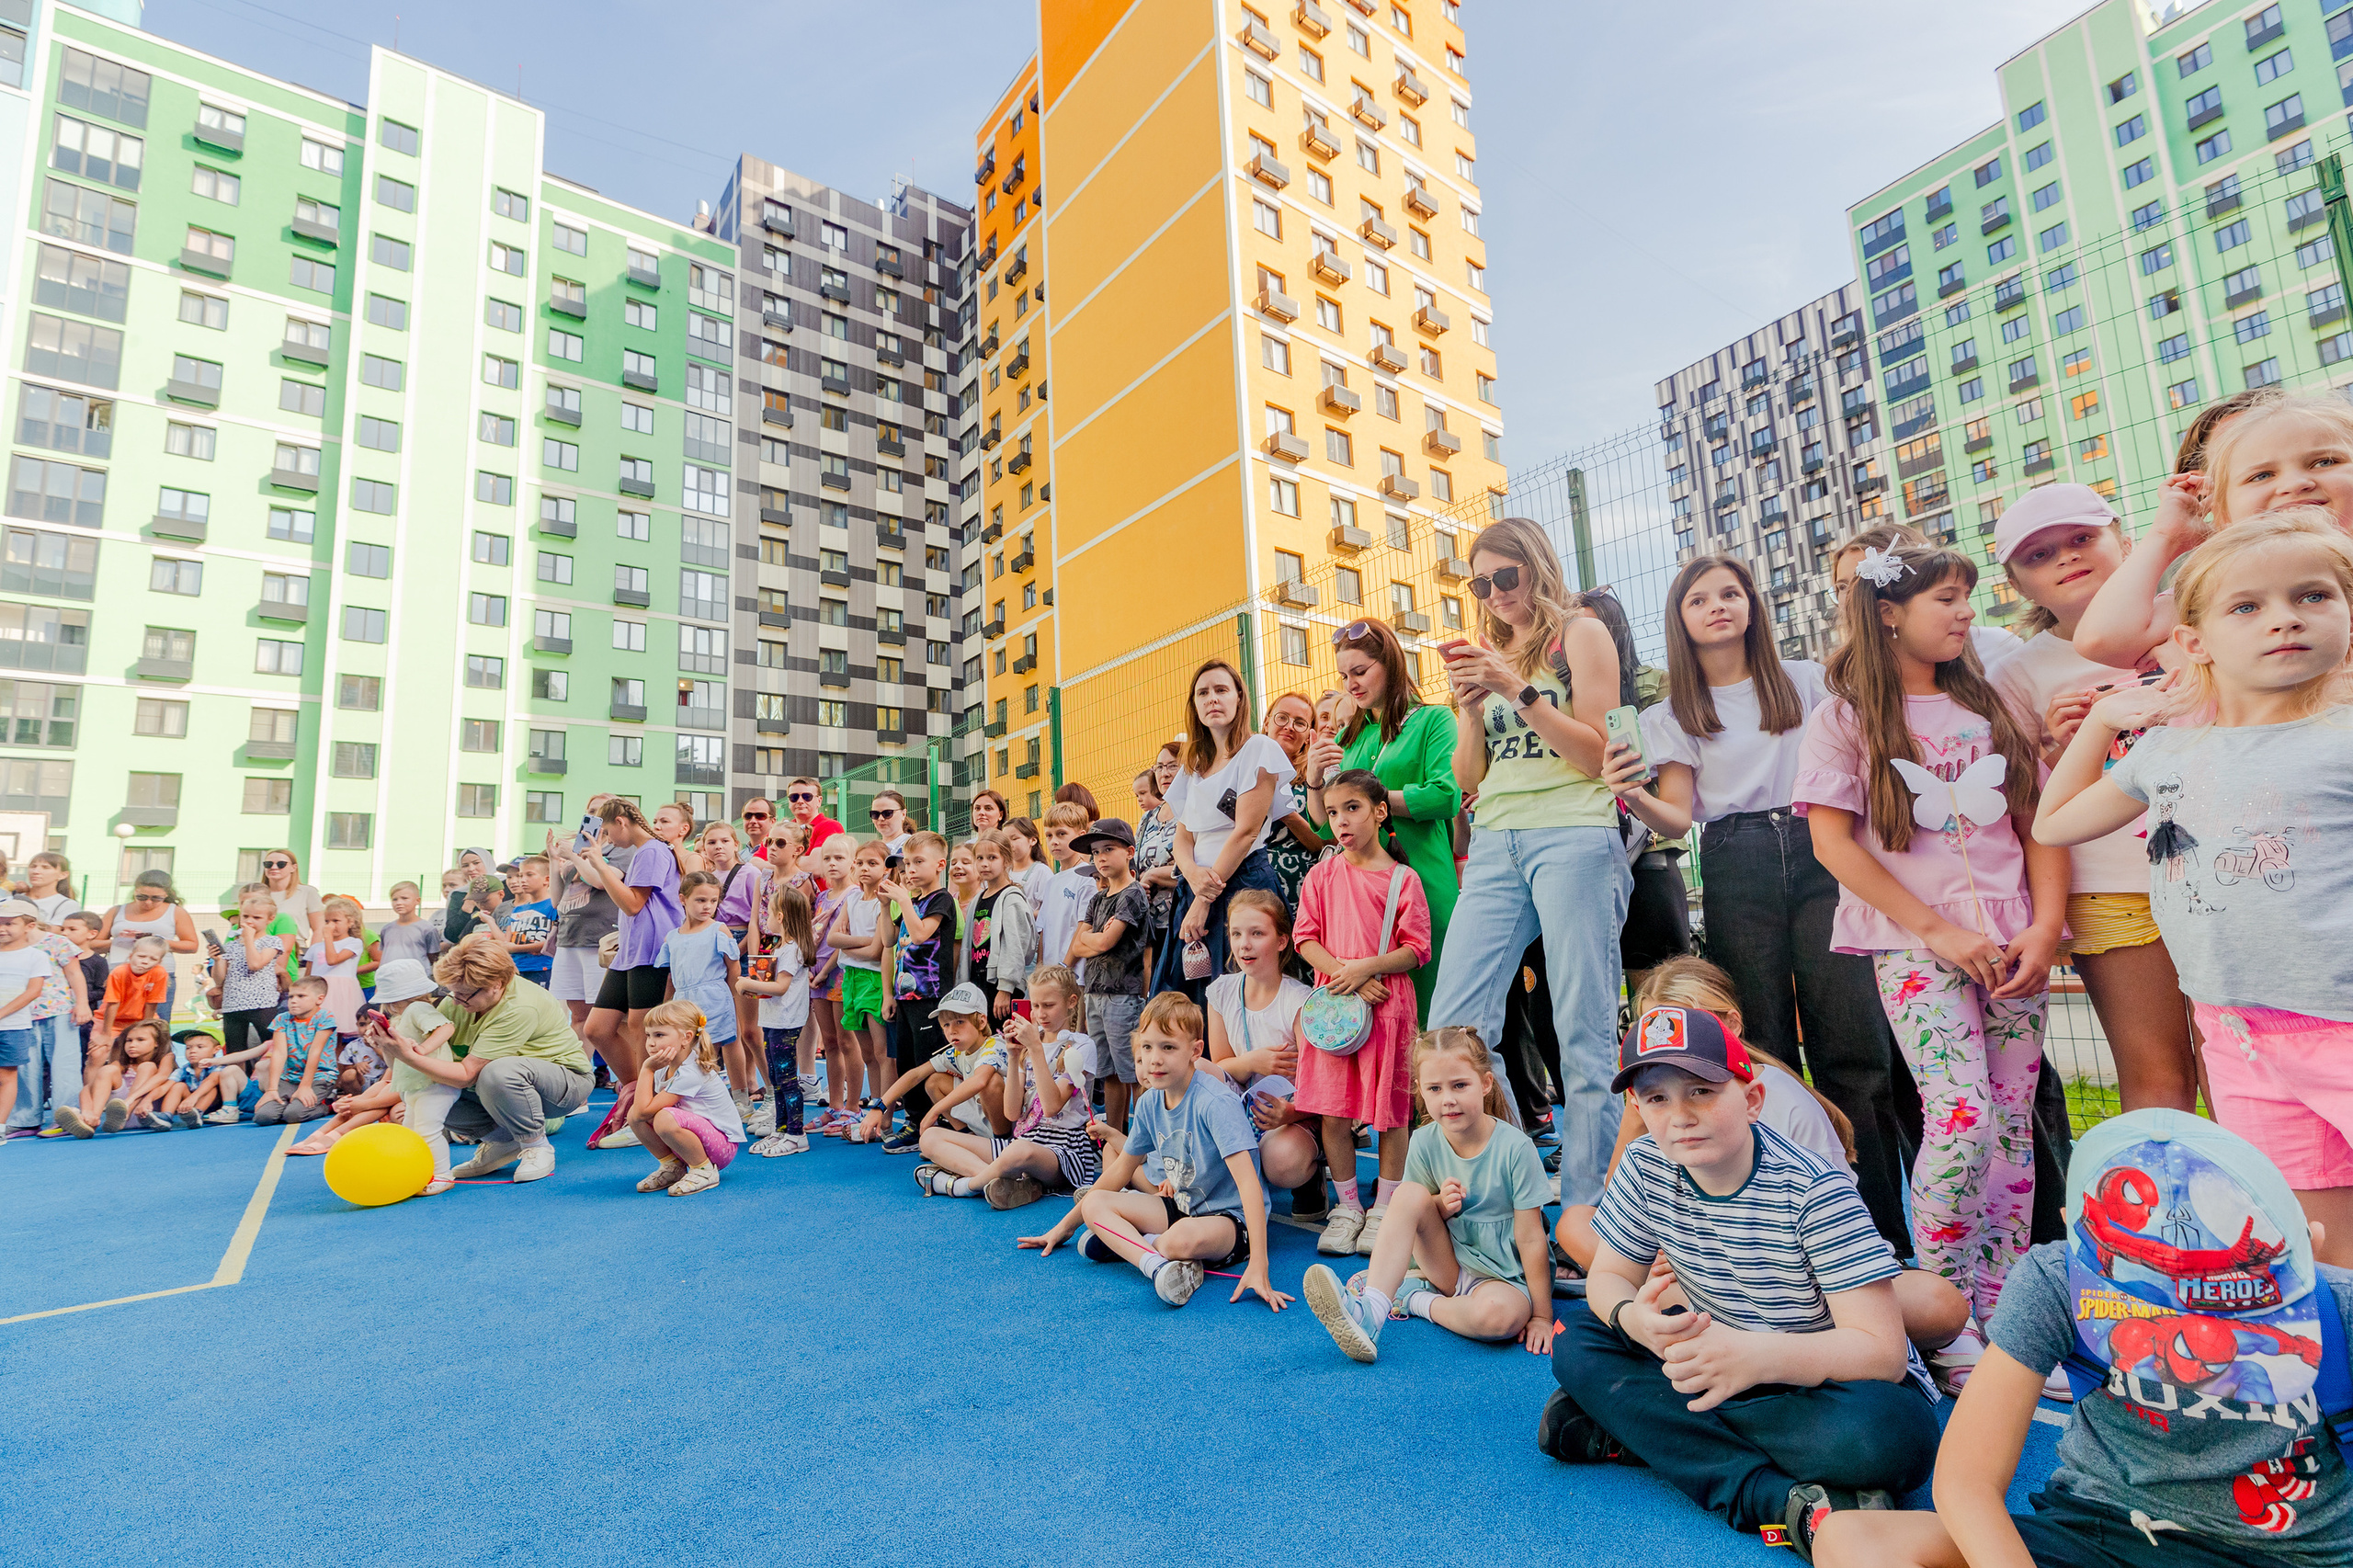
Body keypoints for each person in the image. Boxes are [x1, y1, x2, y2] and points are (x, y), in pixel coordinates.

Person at [1816, 1109, 2353, 1568]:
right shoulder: (2055, 1280)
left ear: (2311, 1246)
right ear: (2072, 1233)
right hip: (2100, 1525)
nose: (2186, 1331)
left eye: (2228, 1305)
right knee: (1850, 1538)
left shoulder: (2339, 1305)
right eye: (2149, 1301)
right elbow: (1965, 1483)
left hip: (2285, 1553)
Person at [2037, 507, 2353, 1267]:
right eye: (2248, 606)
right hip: (2239, 1036)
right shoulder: (2169, 751)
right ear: (2193, 643)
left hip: (2341, 1023)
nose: (2284, 620)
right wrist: (2103, 719)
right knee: (2317, 1244)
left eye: (2314, 596)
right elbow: (2054, 824)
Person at [1797, 540, 2069, 1379]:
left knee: (2013, 1129)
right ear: (1888, 614)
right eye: (1944, 599)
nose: (1963, 613)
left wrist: (2046, 926)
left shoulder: (1993, 706)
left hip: (2016, 943)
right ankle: (1943, 1316)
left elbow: (2039, 823)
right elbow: (1833, 845)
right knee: (1961, 1118)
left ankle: (2007, 1318)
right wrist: (1940, 931)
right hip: (1915, 948)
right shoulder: (1846, 717)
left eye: (1968, 597)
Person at [1540, 1004, 1942, 1562]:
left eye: (1701, 1090)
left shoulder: (1814, 1191)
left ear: (1751, 1099)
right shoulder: (1645, 1165)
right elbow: (1608, 1276)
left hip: (1820, 1383)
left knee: (1890, 1439)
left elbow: (1882, 1353)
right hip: (1716, 1363)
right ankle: (1778, 1498)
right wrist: (1634, 1319)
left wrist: (1755, 1358)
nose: (1679, 1115)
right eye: (1656, 1098)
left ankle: (1638, 1432)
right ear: (1638, 1107)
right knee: (1575, 1339)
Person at [1608, 551, 1912, 1255]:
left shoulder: (1807, 682)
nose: (1717, 606)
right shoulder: (1671, 713)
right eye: (1698, 599)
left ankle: (1879, 1238)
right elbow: (1678, 819)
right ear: (1679, 620)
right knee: (1760, 1049)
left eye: (1731, 593)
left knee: (1854, 1045)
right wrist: (1630, 791)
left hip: (1821, 845)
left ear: (1752, 604)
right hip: (1733, 856)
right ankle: (1778, 1234)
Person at [1553, 957, 1973, 1360]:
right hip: (1703, 1264)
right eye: (1656, 1084)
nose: (1676, 1102)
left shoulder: (1785, 1117)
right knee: (1576, 1229)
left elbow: (1834, 1218)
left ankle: (1808, 1343)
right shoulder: (1656, 1116)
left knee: (1938, 1304)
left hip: (1800, 1275)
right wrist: (1636, 1112)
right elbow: (1622, 1203)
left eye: (1699, 1086)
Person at [1988, 484, 2202, 1117]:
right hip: (2113, 890)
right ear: (2018, 586)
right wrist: (2057, 748)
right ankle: (2169, 1216)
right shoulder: (2016, 675)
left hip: (2228, 872)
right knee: (2157, 1075)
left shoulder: (2196, 615)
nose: (2065, 557)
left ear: (2126, 542)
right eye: (2038, 555)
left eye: (2082, 538)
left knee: (2235, 1059)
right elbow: (2031, 810)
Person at [1428, 516, 1628, 1194]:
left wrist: (1518, 691)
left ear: (1537, 566)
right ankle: (1507, 1191)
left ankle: (1588, 1211)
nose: (1493, 594)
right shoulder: (1493, 651)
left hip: (1574, 833)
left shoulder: (1581, 633)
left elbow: (1599, 756)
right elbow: (1470, 779)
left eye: (1504, 577)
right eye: (1481, 583)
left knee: (1583, 1030)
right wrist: (1467, 708)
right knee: (1454, 1029)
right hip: (1495, 841)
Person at [1017, 993, 1290, 1312]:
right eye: (1147, 1047)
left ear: (1195, 1051)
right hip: (1179, 1206)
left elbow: (1249, 1184)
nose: (1155, 1059)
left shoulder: (1215, 1103)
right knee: (1093, 1201)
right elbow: (1119, 1172)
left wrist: (1259, 1263)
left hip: (1228, 1221)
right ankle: (1158, 1266)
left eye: (1168, 1047)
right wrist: (1063, 1228)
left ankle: (1133, 1244)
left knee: (1180, 1240)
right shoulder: (1149, 1102)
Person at [1302, 1026, 1553, 1361]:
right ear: (1421, 1092)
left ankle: (1413, 1299)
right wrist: (1440, 1205)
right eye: (1435, 1088)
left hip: (1504, 1276)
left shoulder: (1516, 1149)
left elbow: (1532, 1239)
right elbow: (1413, 1214)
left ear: (1486, 1083)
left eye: (1460, 1085)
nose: (1448, 1099)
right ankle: (1372, 1311)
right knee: (1408, 1195)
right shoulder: (1422, 1141)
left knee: (1501, 1320)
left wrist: (1541, 1316)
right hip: (1447, 1265)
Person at [2074, 386, 2333, 670]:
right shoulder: (2221, 582)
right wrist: (2166, 537)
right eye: (2260, 474)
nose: (2294, 483)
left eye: (2324, 461)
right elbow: (2101, 640)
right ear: (2209, 495)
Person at [1295, 767, 1434, 1258]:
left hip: (1388, 1008)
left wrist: (1367, 968)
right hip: (1334, 1011)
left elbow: (1418, 949)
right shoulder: (1322, 874)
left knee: (1390, 1114)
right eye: (1332, 812)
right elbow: (1305, 937)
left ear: (1379, 812)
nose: (1341, 821)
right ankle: (1348, 1206)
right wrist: (1342, 974)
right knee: (1334, 1109)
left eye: (1352, 809)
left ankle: (1386, 1208)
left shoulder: (1403, 879)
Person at [1302, 619, 1461, 1023]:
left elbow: (1446, 795)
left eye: (1360, 671)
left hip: (1423, 880)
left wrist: (1368, 799)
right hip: (1360, 902)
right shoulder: (1351, 736)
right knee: (1379, 1024)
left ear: (1390, 664)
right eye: (1344, 675)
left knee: (1434, 1019)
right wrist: (1315, 782)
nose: (1351, 684)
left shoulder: (1434, 720)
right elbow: (1325, 827)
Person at [366, 934, 592, 1185]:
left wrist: (407, 1054)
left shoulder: (520, 1006)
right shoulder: (459, 1000)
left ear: (496, 984)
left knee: (497, 1072)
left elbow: (465, 1076)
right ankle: (502, 1142)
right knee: (434, 1090)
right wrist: (388, 1046)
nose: (457, 1001)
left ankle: (536, 1145)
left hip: (564, 1085)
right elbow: (431, 1064)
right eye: (453, 993)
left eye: (464, 995)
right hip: (508, 1088)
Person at [1150, 657, 1293, 1003]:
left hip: (1243, 888)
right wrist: (1193, 876)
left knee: (1239, 992)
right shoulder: (1193, 764)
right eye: (1203, 693)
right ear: (1194, 705)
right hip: (1195, 888)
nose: (1212, 699)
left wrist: (1203, 896)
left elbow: (1245, 832)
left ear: (1239, 698)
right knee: (1189, 998)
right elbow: (1182, 835)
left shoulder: (1259, 749)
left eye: (1221, 690)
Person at [551, 797, 680, 1142]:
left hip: (652, 949)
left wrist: (599, 864)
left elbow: (633, 904)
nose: (607, 838)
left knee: (641, 1026)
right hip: (631, 950)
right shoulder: (644, 852)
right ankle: (635, 1094)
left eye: (608, 830)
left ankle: (644, 1111)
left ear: (622, 822)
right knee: (597, 1028)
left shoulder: (652, 851)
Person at [912, 970, 1097, 1207]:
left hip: (1063, 1150)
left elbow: (1051, 1107)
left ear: (1072, 1001)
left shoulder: (1082, 1046)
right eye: (1036, 1005)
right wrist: (1013, 1056)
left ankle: (966, 1186)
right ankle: (1003, 1182)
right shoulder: (1029, 1044)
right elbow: (1012, 1113)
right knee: (930, 1138)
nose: (1040, 1014)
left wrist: (1036, 1050)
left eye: (1049, 1005)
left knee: (1019, 1152)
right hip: (1024, 1139)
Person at [1200, 888, 1319, 1212]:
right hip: (1242, 1105)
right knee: (1195, 1068)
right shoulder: (1222, 991)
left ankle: (1311, 1174)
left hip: (1290, 1112)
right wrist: (1255, 1061)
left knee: (1282, 1162)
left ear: (1281, 941)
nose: (1244, 944)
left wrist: (1290, 1114)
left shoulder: (1299, 1000)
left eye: (1257, 933)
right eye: (1236, 933)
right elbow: (1220, 1064)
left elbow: (1319, 1083)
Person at [1832, 522, 2023, 676]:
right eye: (1842, 587)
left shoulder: (1998, 647)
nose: (1852, 598)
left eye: (1870, 579)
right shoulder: (1840, 678)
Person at [1066, 820, 1150, 1132]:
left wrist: (1094, 940)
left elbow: (1103, 942)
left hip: (1122, 997)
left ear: (1129, 852)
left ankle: (1144, 1141)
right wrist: (1094, 939)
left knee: (1134, 1073)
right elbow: (1078, 943)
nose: (1100, 858)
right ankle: (1115, 1136)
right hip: (1095, 994)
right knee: (1109, 1072)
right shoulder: (1098, 899)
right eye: (1096, 852)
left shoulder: (1133, 894)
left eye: (1108, 850)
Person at [878, 832, 955, 1154]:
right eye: (906, 864)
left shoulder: (940, 899)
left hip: (931, 997)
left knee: (929, 1062)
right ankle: (914, 1120)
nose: (909, 870)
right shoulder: (913, 901)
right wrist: (885, 907)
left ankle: (939, 1122)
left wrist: (903, 901)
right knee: (907, 1060)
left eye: (918, 862)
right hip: (906, 997)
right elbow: (887, 940)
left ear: (939, 864)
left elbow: (922, 934)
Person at [622, 999, 743, 1197]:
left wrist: (646, 1069)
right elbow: (641, 1112)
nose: (651, 1042)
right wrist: (651, 1070)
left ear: (686, 1038)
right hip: (693, 1141)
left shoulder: (691, 1071)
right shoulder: (665, 1068)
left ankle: (703, 1170)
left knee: (662, 1117)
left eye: (659, 1035)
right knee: (634, 1115)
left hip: (721, 1147)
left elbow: (648, 1110)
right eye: (648, 1035)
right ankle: (673, 1166)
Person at [867, 979, 1009, 1146]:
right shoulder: (957, 1052)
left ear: (981, 1021)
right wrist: (880, 1106)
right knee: (934, 1081)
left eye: (960, 1022)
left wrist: (935, 1110)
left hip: (1008, 1124)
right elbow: (916, 1074)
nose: (951, 1030)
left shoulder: (994, 1045)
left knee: (991, 1083)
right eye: (946, 1025)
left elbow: (980, 1080)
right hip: (984, 1119)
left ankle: (1003, 1144)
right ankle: (968, 1136)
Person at [368, 959, 460, 1194]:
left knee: (428, 1130)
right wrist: (383, 1044)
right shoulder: (399, 1020)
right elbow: (394, 1063)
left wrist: (423, 1050)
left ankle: (442, 1175)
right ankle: (417, 1170)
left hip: (434, 1083)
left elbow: (446, 1028)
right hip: (416, 1086)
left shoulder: (418, 1009)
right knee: (411, 1134)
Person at [738, 879, 814, 1158]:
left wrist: (747, 983)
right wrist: (756, 990)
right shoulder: (782, 947)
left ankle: (797, 1134)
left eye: (769, 914)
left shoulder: (792, 950)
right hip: (773, 1020)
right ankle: (781, 1129)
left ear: (780, 917)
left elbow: (781, 987)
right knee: (775, 1078)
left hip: (785, 1023)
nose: (767, 919)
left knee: (786, 1079)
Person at [656, 872, 742, 1119]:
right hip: (683, 1004)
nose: (708, 907)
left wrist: (734, 999)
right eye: (701, 900)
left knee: (710, 1053)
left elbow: (733, 966)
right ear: (683, 899)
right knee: (685, 1055)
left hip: (713, 999)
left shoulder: (718, 929)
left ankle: (736, 1100)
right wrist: (665, 1007)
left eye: (713, 901)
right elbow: (672, 976)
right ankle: (692, 1104)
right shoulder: (673, 937)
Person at [833, 840, 895, 1142]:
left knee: (883, 1053)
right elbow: (833, 938)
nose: (864, 868)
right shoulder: (852, 899)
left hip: (874, 981)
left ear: (887, 868)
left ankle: (885, 1119)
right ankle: (872, 1110)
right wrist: (861, 944)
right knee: (867, 1052)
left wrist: (851, 946)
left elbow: (876, 951)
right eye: (859, 863)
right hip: (852, 980)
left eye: (872, 863)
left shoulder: (887, 901)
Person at [9, 908, 89, 1136]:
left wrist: (81, 1003)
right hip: (22, 1014)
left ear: (30, 924)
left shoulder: (57, 942)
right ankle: (25, 1119)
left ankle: (67, 1115)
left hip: (60, 1010)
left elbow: (75, 974)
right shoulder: (8, 947)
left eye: (9, 923)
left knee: (65, 1065)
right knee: (25, 1067)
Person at [1260, 691, 1338, 903]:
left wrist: (1286, 813)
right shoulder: (1243, 769)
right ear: (1267, 722)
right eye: (1282, 717)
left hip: (1302, 889)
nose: (1289, 726)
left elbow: (1329, 841)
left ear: (1307, 736)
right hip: (1251, 890)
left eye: (1300, 723)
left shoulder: (1317, 776)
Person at [99, 869, 199, 1021]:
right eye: (141, 897)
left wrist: (155, 941)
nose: (148, 903)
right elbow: (93, 944)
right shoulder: (117, 911)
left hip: (157, 975)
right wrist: (120, 940)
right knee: (110, 1021)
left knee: (155, 1024)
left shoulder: (175, 912)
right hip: (118, 973)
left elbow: (192, 945)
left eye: (156, 898)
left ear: (166, 894)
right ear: (134, 891)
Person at [961, 831, 1034, 1024]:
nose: (985, 863)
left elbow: (1015, 947)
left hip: (1001, 988)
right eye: (980, 858)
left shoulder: (1011, 899)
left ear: (1007, 860)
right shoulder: (978, 899)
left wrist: (1005, 988)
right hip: (979, 983)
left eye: (992, 857)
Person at [252, 975, 339, 1127]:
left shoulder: (325, 1017)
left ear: (319, 999)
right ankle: (290, 1102)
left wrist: (305, 1086)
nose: (293, 1000)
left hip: (318, 1077)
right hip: (290, 1078)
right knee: (263, 1117)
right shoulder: (282, 1019)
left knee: (293, 1115)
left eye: (301, 996)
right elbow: (279, 1054)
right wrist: (271, 1089)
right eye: (291, 996)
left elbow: (315, 1052)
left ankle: (327, 1105)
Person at [0, 898, 53, 1137]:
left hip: (13, 1027)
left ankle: (0, 1128)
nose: (2, 928)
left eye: (10, 923)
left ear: (29, 926)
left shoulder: (35, 957)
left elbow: (33, 991)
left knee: (6, 1077)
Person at [1035, 801, 1097, 972]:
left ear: (1080, 835)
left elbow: (1084, 926)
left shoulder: (1087, 878)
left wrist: (1065, 966)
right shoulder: (1051, 882)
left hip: (1074, 975)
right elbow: (1043, 931)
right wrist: (1041, 970)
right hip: (1050, 975)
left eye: (1061, 834)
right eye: (1049, 835)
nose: (1054, 841)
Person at [93, 932, 169, 1058]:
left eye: (153, 959)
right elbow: (113, 1003)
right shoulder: (119, 972)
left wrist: (145, 1029)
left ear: (159, 962)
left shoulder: (159, 973)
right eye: (141, 956)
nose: (145, 961)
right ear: (131, 955)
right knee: (98, 1054)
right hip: (111, 1020)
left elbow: (151, 1003)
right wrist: (106, 1035)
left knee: (148, 1052)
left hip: (139, 1020)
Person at [306, 897, 368, 1040]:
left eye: (336, 921)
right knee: (316, 1034)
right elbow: (308, 976)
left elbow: (333, 960)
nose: (330, 925)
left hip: (341, 994)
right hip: (318, 991)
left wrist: (327, 937)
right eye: (327, 921)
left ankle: (338, 1062)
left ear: (350, 922)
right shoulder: (316, 948)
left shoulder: (354, 943)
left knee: (337, 1035)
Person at [255, 848, 326, 958]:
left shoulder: (307, 892)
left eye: (281, 864)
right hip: (259, 949)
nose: (274, 867)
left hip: (294, 950)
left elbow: (319, 929)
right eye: (268, 864)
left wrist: (311, 956)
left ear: (294, 867)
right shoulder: (257, 894)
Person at [503, 856, 556, 994]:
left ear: (547, 879)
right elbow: (506, 942)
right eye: (521, 875)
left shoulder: (553, 906)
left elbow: (552, 942)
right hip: (517, 969)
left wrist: (516, 948)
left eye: (529, 875)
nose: (523, 880)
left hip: (541, 968)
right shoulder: (517, 910)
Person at [369, 881, 444, 972]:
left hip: (415, 979)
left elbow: (432, 957)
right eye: (395, 899)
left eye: (404, 898)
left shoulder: (427, 929)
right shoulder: (387, 929)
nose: (398, 903)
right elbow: (385, 955)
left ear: (417, 901)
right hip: (389, 980)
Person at [439, 847, 495, 944]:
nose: (471, 869)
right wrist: (467, 906)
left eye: (476, 863)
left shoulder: (506, 886)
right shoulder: (458, 895)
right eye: (465, 865)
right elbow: (451, 935)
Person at [782, 777, 846, 853]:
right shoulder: (782, 829)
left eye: (807, 797)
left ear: (819, 801)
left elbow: (815, 862)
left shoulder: (831, 826)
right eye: (794, 797)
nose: (800, 801)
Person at [23, 851, 78, 928]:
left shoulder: (66, 905)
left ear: (63, 875)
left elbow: (54, 933)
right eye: (33, 866)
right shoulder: (13, 898)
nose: (36, 872)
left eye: (46, 867)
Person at [867, 790, 912, 858]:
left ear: (903, 814)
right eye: (875, 814)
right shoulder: (870, 848)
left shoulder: (912, 845)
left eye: (887, 813)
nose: (880, 818)